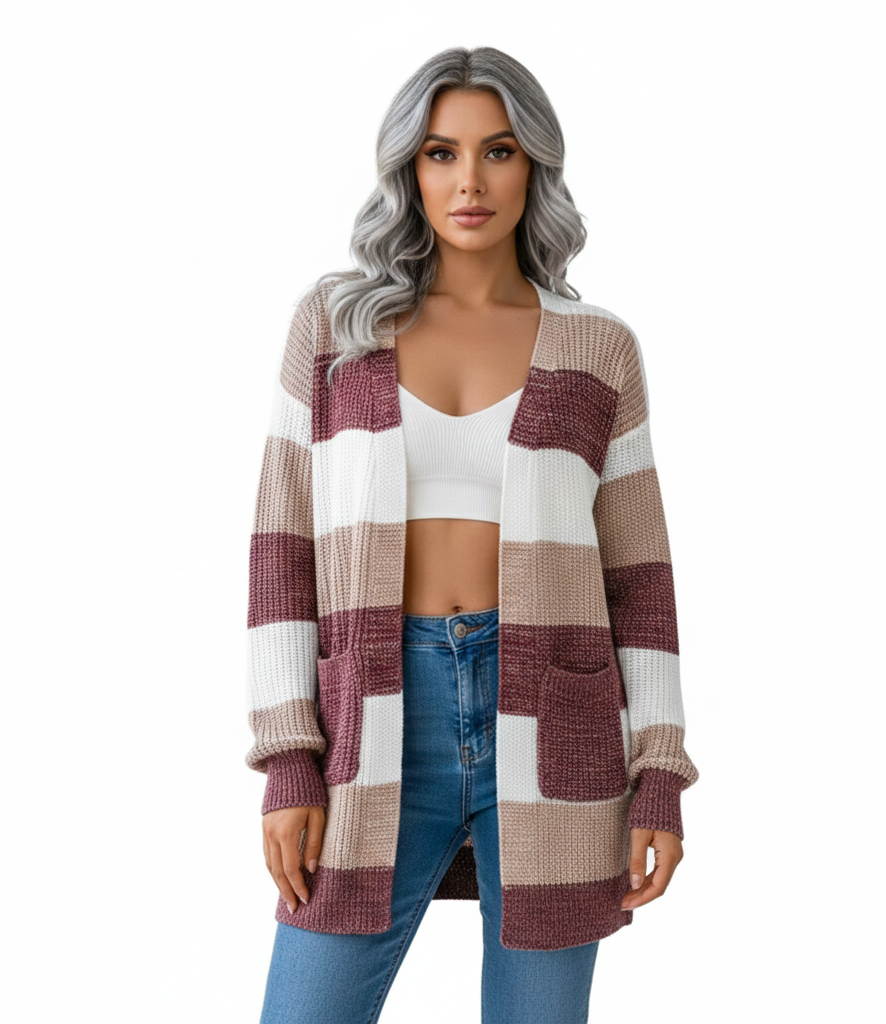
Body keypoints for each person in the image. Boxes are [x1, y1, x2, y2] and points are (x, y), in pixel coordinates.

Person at [245, 46, 700, 1024]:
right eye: (441, 153)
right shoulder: (335, 327)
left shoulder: (597, 347)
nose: (469, 182)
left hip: (557, 720)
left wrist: (659, 771)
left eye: (497, 151)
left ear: (533, 164)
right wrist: (288, 756)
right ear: (408, 170)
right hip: (373, 719)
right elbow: (282, 552)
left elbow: (640, 581)